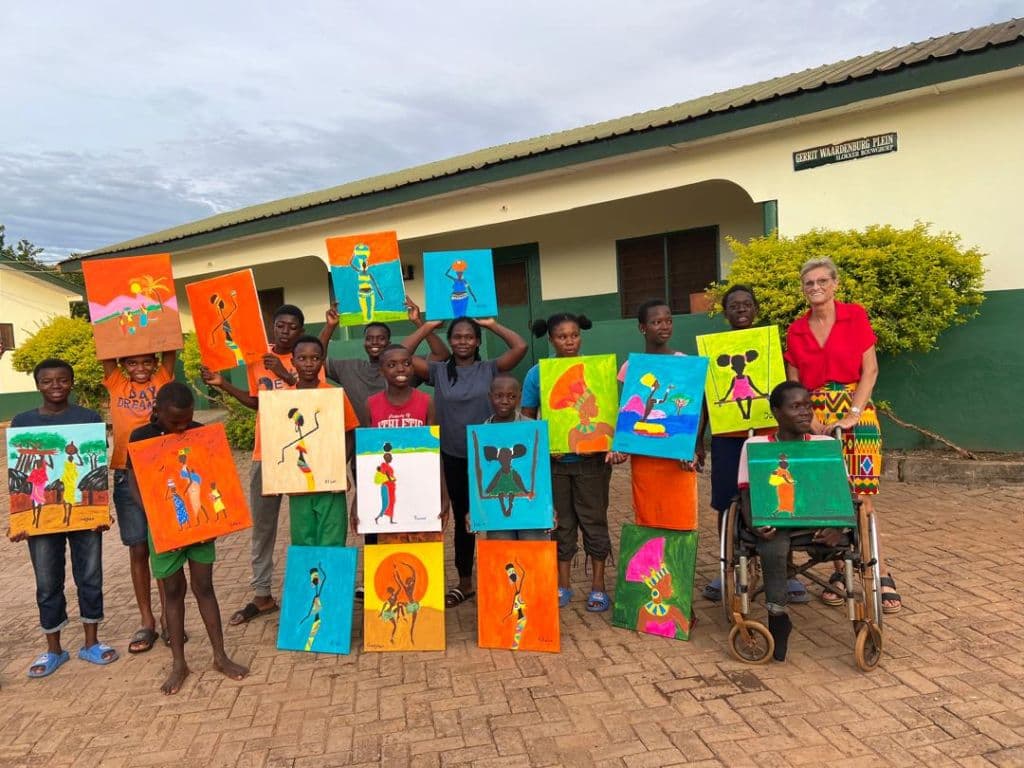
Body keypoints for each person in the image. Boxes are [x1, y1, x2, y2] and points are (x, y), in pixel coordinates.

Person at [784, 258, 901, 613]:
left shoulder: (855, 316)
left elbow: (871, 369)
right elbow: (794, 381)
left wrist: (852, 413)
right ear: (803, 289)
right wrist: (810, 418)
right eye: (809, 283)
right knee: (824, 492)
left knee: (861, 494)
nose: (816, 288)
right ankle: (839, 571)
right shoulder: (796, 330)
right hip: (813, 412)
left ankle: (876, 570)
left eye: (822, 281)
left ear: (835, 284)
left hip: (856, 408)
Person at [127, 382, 248, 694]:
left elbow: (214, 475)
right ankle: (179, 663)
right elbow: (134, 485)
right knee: (173, 591)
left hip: (199, 525)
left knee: (204, 587)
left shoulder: (199, 433)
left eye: (187, 420)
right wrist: (158, 518)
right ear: (157, 413)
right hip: (164, 527)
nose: (182, 428)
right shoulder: (141, 438)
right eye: (174, 422)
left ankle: (220, 656)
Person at [402, 316, 528, 608]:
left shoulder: (490, 369)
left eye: (469, 337)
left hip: (493, 459)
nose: (462, 341)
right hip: (454, 456)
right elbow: (401, 354)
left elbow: (520, 346)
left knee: (501, 517)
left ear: (478, 341)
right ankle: (465, 583)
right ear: (450, 340)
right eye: (457, 336)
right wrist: (425, 325)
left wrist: (491, 324)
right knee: (464, 520)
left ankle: (506, 579)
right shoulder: (438, 372)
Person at [9, 358, 119, 678]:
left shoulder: (87, 418)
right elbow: (20, 471)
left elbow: (95, 467)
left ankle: (91, 643)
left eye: (62, 380)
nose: (55, 386)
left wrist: (100, 510)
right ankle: (53, 649)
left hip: (86, 516)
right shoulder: (23, 421)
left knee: (90, 575)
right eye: (47, 381)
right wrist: (20, 520)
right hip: (41, 517)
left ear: (71, 382)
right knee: (47, 581)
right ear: (37, 385)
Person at [200, 304, 309, 625]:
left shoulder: (308, 358)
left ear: (301, 331)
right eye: (280, 325)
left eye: (292, 327)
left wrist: (284, 373)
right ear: (273, 327)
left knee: (303, 527)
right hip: (265, 453)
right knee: (263, 528)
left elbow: (310, 398)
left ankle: (306, 591)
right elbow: (254, 401)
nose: (285, 331)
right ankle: (262, 595)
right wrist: (223, 384)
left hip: (302, 453)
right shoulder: (256, 360)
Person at [700, 286, 808, 604]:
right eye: (734, 306)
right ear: (725, 313)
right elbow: (706, 401)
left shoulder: (771, 346)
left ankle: (786, 571)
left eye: (747, 304)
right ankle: (727, 569)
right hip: (726, 438)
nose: (741, 309)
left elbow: (787, 391)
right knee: (725, 502)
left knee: (778, 497)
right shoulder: (712, 349)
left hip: (768, 436)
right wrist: (699, 442)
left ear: (756, 309)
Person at [522, 313, 625, 613]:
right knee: (560, 523)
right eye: (562, 336)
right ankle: (562, 584)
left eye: (574, 335)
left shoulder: (598, 371)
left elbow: (611, 413)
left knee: (594, 522)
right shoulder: (536, 374)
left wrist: (610, 445)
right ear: (551, 339)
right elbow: (528, 419)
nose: (569, 341)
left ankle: (598, 586)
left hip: (592, 464)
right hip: (555, 465)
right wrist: (545, 447)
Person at [737, 381, 846, 660]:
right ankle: (778, 615)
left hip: (818, 523)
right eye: (795, 406)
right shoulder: (756, 446)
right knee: (772, 546)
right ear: (776, 412)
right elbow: (747, 496)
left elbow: (841, 493)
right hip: (776, 522)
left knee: (836, 540)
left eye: (808, 406)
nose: (804, 412)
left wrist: (837, 526)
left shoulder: (826, 445)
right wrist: (754, 524)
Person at [101, 349, 177, 654]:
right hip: (125, 473)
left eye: (147, 362)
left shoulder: (162, 378)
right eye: (132, 362)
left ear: (156, 364)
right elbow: (108, 344)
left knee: (162, 544)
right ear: (122, 365)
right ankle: (147, 621)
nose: (141, 368)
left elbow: (169, 344)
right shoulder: (117, 383)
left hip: (160, 470)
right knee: (138, 547)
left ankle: (169, 617)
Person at [318, 297, 447, 428]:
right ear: (364, 343)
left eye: (381, 339)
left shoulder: (404, 367)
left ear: (389, 343)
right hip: (365, 444)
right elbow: (318, 361)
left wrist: (419, 322)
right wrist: (330, 326)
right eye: (369, 339)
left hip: (407, 443)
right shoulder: (349, 367)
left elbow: (441, 355)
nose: (374, 342)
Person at [285, 335, 359, 547]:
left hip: (330, 481)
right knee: (302, 537)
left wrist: (337, 469)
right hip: (299, 481)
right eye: (302, 358)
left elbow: (349, 433)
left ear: (322, 360)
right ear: (293, 361)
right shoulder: (282, 400)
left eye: (315, 358)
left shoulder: (335, 395)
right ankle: (309, 580)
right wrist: (281, 476)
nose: (309, 364)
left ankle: (334, 580)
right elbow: (278, 440)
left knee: (333, 535)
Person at [483, 373, 550, 542]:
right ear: (490, 397)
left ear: (519, 398)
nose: (505, 401)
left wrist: (549, 506)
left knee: (533, 549)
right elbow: (481, 476)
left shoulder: (532, 429)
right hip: (496, 514)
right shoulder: (482, 432)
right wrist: (475, 508)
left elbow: (542, 471)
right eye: (499, 396)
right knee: (502, 550)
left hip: (532, 508)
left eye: (511, 396)